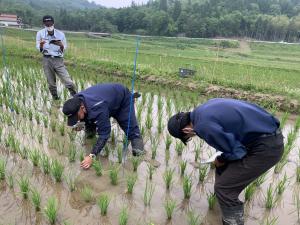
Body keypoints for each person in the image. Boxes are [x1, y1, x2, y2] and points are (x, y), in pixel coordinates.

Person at [167, 98, 283, 225]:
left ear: (186, 131)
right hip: (266, 135)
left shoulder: (202, 126)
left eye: (188, 138)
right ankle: (222, 208)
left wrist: (221, 159)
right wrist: (222, 160)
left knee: (224, 189)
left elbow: (237, 151)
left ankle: (233, 221)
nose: (191, 137)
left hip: (266, 148)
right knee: (223, 169)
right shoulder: (202, 110)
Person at [62, 83, 144, 169]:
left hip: (122, 99)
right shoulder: (77, 100)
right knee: (89, 122)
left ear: (82, 107)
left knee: (130, 129)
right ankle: (91, 130)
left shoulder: (97, 108)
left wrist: (91, 156)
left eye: (77, 116)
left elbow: (104, 134)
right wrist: (81, 124)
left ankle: (138, 149)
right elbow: (84, 115)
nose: (77, 119)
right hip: (105, 101)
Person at [36, 15, 77, 100]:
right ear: (44, 23)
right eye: (46, 22)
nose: (48, 24)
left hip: (58, 60)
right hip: (46, 60)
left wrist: (61, 45)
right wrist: (41, 45)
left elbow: (64, 48)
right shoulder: (40, 33)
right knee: (51, 83)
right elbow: (38, 48)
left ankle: (75, 96)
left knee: (68, 82)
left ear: (53, 23)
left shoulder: (60, 34)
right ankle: (56, 99)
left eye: (50, 22)